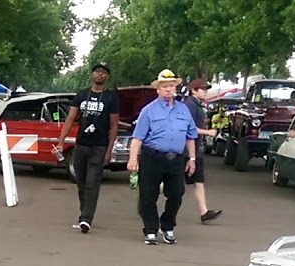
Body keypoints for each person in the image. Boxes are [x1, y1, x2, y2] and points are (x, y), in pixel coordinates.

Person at [127, 69, 198, 246]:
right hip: (152, 157)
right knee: (148, 195)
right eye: (164, 86)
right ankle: (150, 229)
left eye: (171, 86)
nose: (168, 89)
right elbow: (138, 137)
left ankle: (167, 226)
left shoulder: (184, 110)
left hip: (176, 159)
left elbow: (191, 136)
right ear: (158, 89)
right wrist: (133, 159)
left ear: (176, 88)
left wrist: (192, 159)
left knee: (176, 194)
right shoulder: (148, 111)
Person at [57, 62, 119, 233]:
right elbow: (70, 118)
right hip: (81, 145)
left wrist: (109, 149)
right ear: (92, 74)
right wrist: (61, 141)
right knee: (81, 182)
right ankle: (84, 213)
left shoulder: (111, 97)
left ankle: (86, 219)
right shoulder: (82, 94)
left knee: (93, 183)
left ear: (107, 77)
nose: (100, 74)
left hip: (99, 146)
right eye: (97, 71)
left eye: (104, 72)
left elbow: (114, 125)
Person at [183, 78, 222, 224]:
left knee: (199, 181)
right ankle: (149, 197)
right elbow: (189, 128)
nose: (206, 91)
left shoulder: (198, 105)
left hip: (195, 150)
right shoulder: (190, 106)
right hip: (185, 150)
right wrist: (208, 132)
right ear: (194, 90)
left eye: (206, 89)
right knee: (172, 182)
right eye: (203, 89)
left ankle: (204, 212)